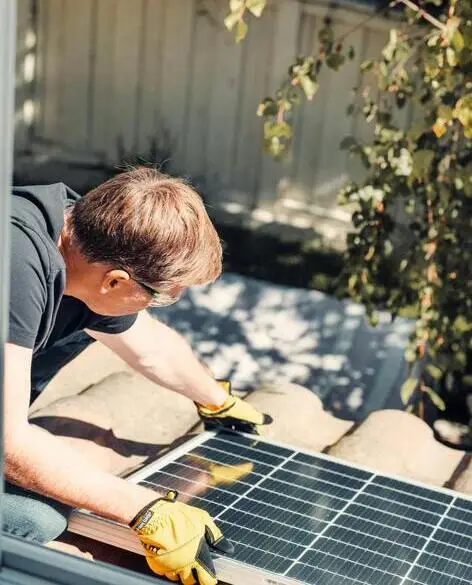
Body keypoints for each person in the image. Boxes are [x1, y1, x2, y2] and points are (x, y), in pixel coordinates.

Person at [4, 167, 272, 585]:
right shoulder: (13, 270)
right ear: (115, 281)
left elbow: (149, 347)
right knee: (36, 518)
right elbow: (8, 444)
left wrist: (216, 400)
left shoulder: (80, 233)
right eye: (161, 297)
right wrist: (144, 509)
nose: (158, 305)